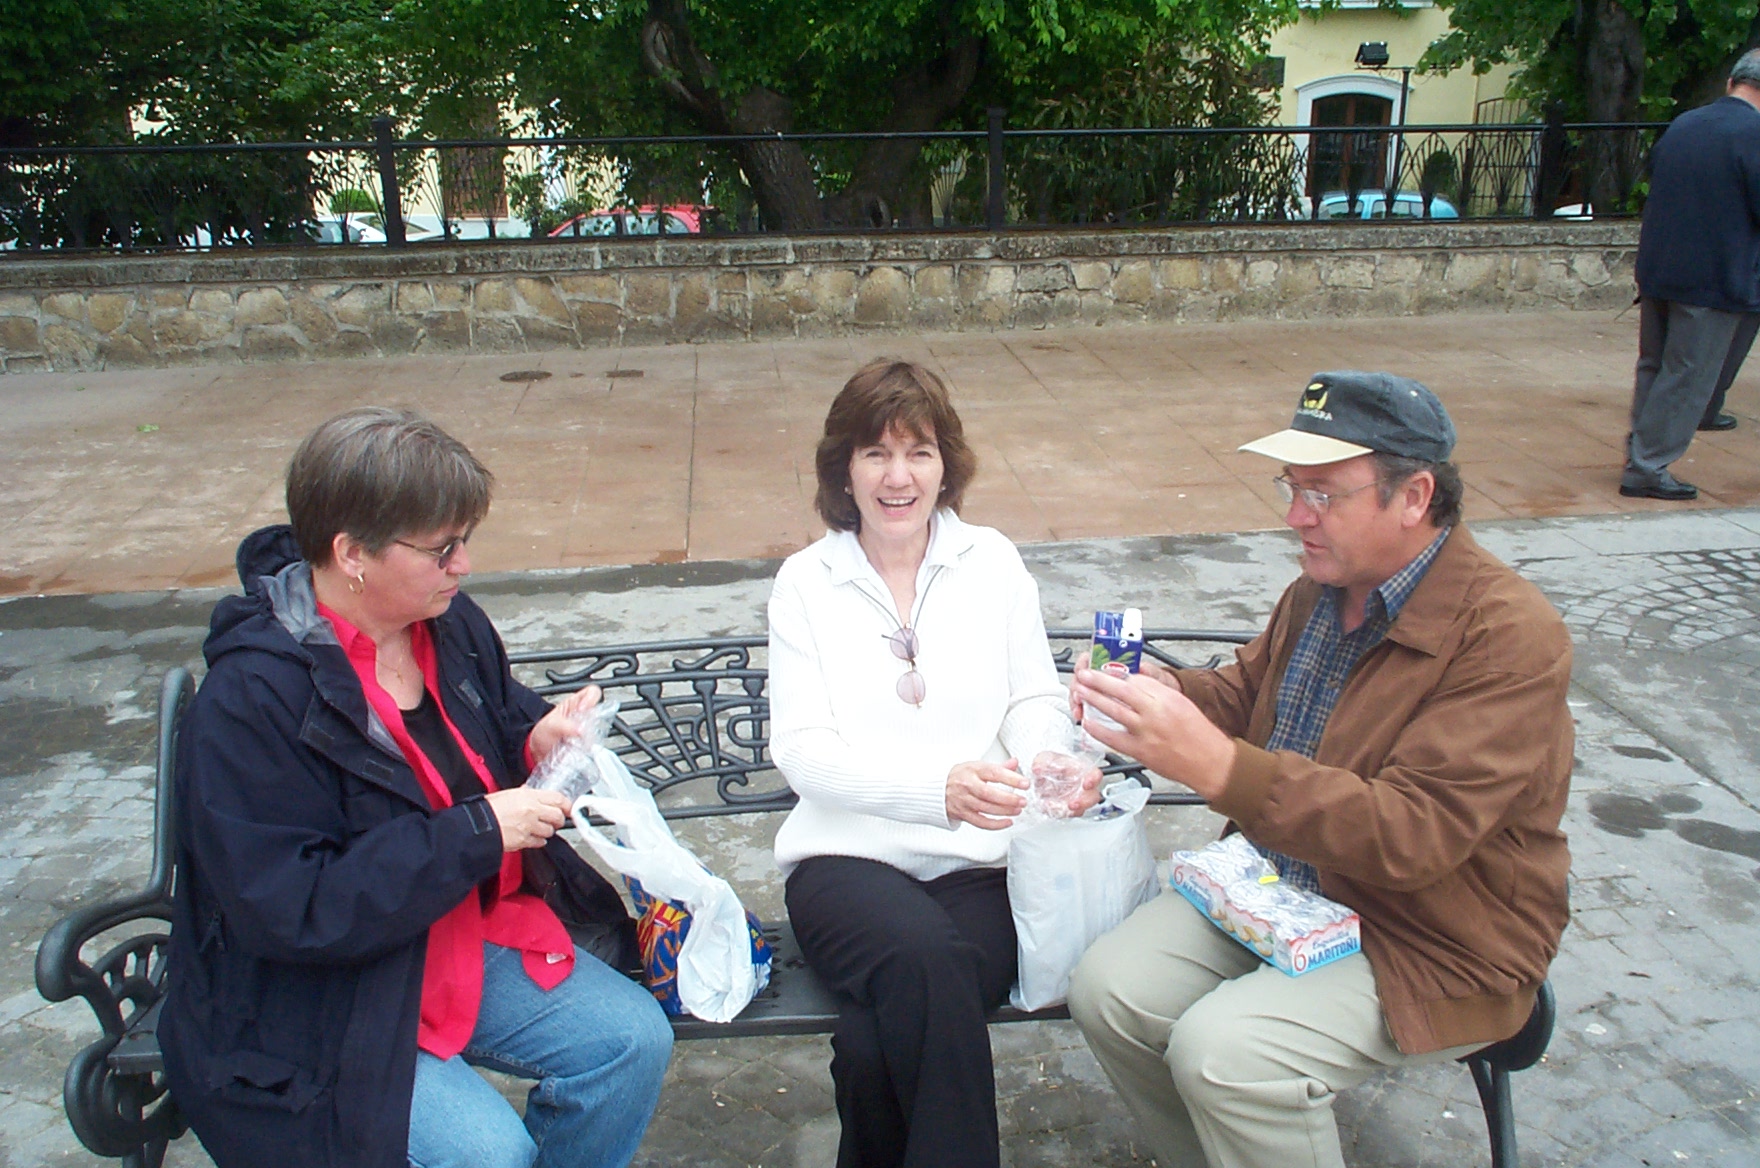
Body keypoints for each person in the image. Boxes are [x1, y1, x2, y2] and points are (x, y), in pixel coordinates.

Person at [1067, 371, 1574, 1168]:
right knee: (1106, 989)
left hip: (1429, 935)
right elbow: (1249, 695)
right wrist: (1166, 694)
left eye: (1324, 495)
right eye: (1291, 488)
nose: (1295, 516)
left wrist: (1218, 766)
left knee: (1225, 1055)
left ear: (1414, 497)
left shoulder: (1508, 635)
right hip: (1282, 887)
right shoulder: (1320, 586)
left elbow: (1414, 834)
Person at [159, 408, 672, 1168]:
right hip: (316, 998)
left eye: (464, 540)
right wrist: (475, 833)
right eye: (441, 548)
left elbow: (491, 726)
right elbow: (292, 909)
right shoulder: (252, 701)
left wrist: (534, 738)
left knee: (631, 1042)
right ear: (351, 554)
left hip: (451, 933)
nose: (463, 565)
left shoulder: (447, 625)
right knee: (489, 1155)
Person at [767, 359, 1101, 1168]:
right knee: (927, 963)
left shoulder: (992, 561)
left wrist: (1047, 760)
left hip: (979, 866)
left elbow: (1032, 697)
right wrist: (933, 792)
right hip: (844, 865)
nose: (899, 477)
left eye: (918, 452)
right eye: (875, 453)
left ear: (945, 464)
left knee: (872, 1044)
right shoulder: (805, 583)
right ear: (844, 469)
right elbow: (803, 752)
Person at [1623, 48, 1760, 500]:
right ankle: (1647, 466)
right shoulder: (1754, 135)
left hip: (1660, 267)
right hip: (1715, 277)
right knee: (1688, 375)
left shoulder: (1685, 124)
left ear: (1731, 82)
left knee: (1655, 366)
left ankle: (1640, 453)